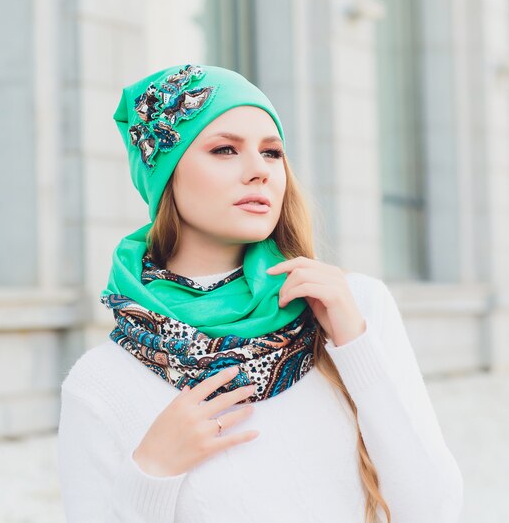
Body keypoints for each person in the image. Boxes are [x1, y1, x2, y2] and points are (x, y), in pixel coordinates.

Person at [57, 64, 464, 523]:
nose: (259, 171)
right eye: (225, 149)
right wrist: (152, 473)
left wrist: (356, 349)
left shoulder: (352, 306)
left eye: (272, 153)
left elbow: (436, 510)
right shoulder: (102, 383)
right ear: (163, 175)